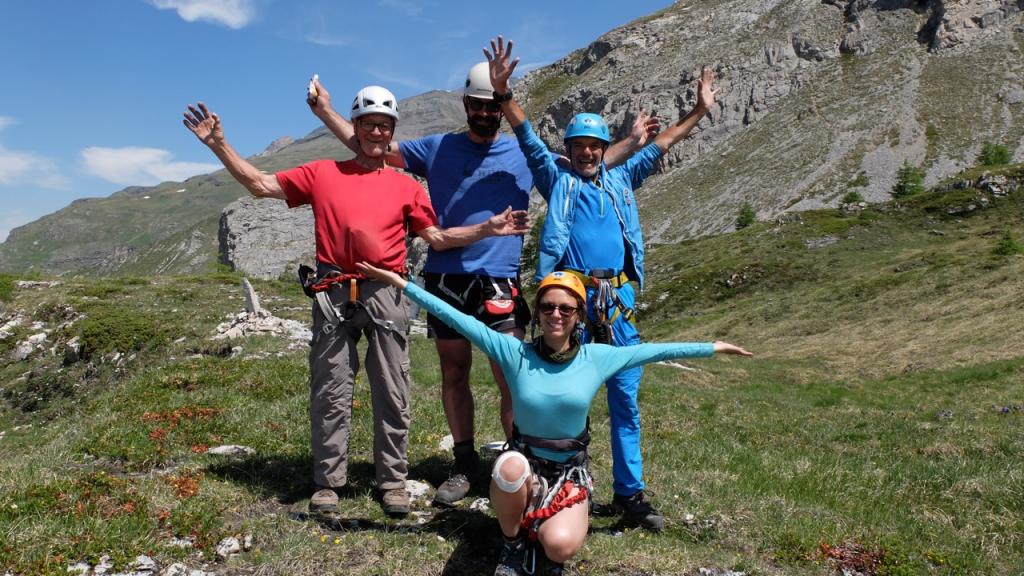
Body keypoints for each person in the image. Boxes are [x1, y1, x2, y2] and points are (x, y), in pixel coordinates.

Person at [307, 69, 656, 507]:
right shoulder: (437, 147)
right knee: (454, 373)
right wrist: (326, 112)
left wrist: (633, 142)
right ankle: (464, 463)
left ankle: (518, 459)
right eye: (479, 104)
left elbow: (585, 163)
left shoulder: (524, 153)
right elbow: (371, 145)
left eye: (494, 105)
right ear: (467, 105)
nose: (487, 112)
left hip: (499, 278)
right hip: (446, 277)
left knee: (512, 375)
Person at [181, 86, 529, 517]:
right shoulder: (322, 173)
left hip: (386, 289)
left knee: (393, 388)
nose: (377, 132)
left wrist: (487, 229)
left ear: (391, 131)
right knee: (331, 388)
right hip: (332, 291)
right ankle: (328, 483)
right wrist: (219, 145)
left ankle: (393, 482)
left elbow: (436, 237)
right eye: (368, 125)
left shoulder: (406, 187)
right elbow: (260, 185)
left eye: (384, 126)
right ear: (357, 129)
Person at [354, 261, 751, 575]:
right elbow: (459, 319)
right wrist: (400, 283)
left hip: (569, 475)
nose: (555, 315)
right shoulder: (515, 353)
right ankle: (511, 543)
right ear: (538, 312)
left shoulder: (599, 357)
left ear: (579, 314)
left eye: (566, 308)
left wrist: (713, 347)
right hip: (525, 466)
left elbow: (655, 350)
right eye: (547, 307)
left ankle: (539, 525)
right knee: (509, 467)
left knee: (559, 548)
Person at [485, 35, 720, 531]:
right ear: (569, 151)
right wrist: (504, 96)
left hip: (619, 306)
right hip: (570, 306)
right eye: (580, 146)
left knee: (625, 400)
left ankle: (630, 495)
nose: (588, 152)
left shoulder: (622, 179)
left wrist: (699, 111)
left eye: (594, 145)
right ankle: (554, 477)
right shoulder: (559, 182)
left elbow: (664, 142)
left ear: (601, 148)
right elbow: (528, 138)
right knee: (562, 398)